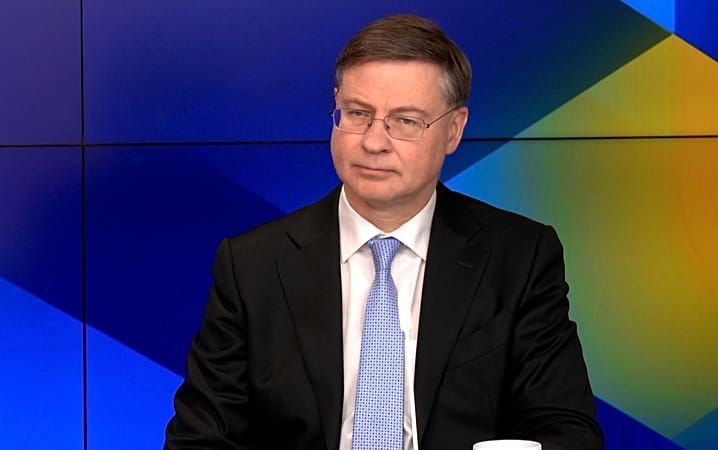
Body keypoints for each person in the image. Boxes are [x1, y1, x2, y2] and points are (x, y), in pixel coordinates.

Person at [165, 14, 603, 450]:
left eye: (405, 121)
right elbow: (199, 440)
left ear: (454, 130)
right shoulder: (252, 266)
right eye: (358, 114)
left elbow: (567, 430)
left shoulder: (519, 258)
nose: (374, 142)